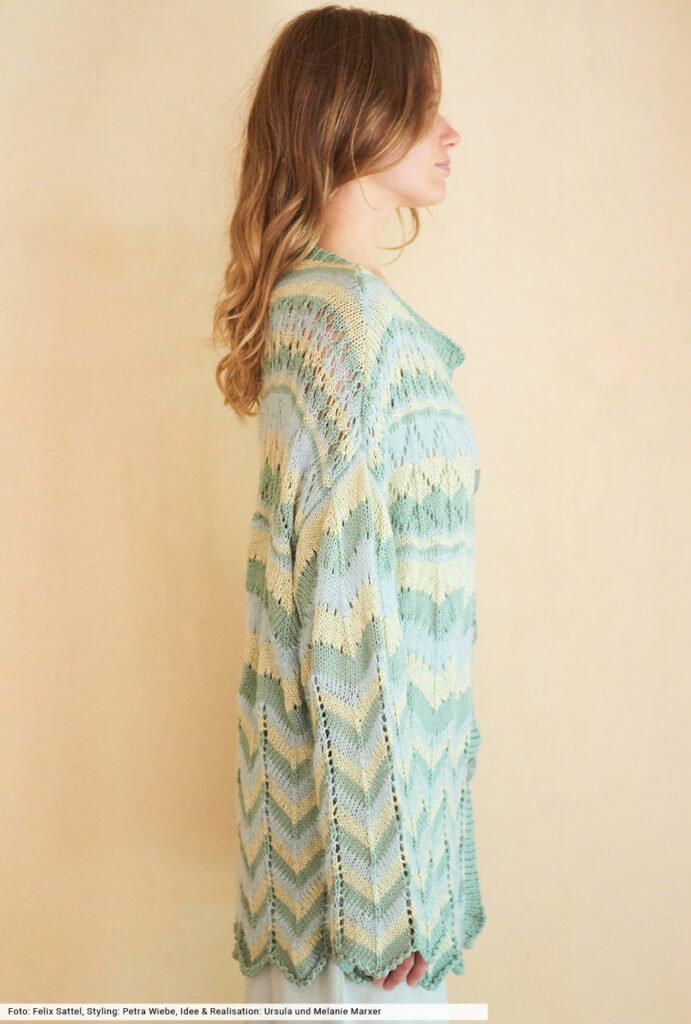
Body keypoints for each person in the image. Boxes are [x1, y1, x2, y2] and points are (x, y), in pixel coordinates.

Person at [211, 4, 485, 1015]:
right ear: (356, 120)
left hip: (364, 862)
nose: (450, 133)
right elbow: (343, 614)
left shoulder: (333, 311)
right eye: (424, 108)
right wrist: (386, 893)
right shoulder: (347, 328)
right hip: (361, 902)